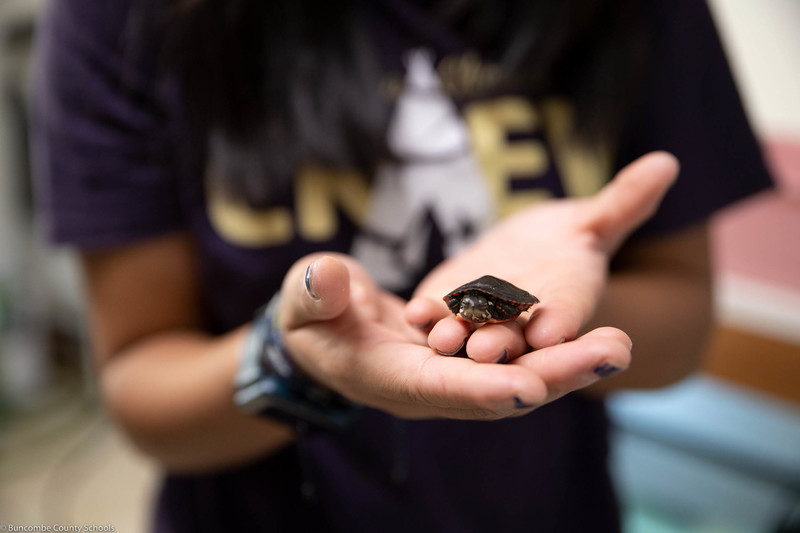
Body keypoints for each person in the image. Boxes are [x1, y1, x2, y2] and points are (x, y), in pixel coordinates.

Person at [32, 0, 772, 531]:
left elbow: (681, 325)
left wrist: (564, 313)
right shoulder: (124, 19)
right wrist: (297, 360)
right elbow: (139, 382)